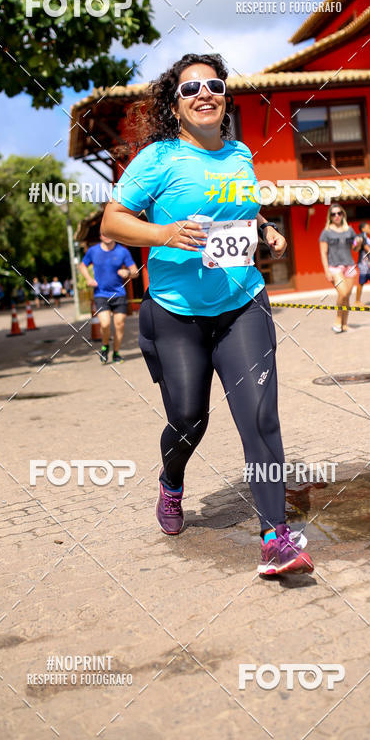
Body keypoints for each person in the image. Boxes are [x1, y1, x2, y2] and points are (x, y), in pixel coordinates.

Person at [102, 52, 314, 576]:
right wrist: (162, 233)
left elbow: (239, 208)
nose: (204, 94)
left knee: (261, 416)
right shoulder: (158, 159)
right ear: (174, 105)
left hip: (243, 303)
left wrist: (264, 227)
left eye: (214, 85)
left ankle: (275, 537)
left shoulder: (240, 153)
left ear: (225, 97)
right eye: (190, 88)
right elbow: (112, 222)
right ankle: (171, 483)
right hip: (177, 313)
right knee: (189, 419)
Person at [80, 234, 139, 363]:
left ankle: (116, 353)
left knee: (119, 325)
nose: (106, 236)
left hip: (119, 294)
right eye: (103, 233)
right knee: (105, 324)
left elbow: (136, 272)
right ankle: (105, 346)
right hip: (101, 294)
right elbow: (82, 265)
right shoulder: (93, 251)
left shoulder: (122, 251)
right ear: (100, 236)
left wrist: (128, 273)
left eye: (109, 233)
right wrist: (88, 279)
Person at [319, 204, 361, 333]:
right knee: (342, 293)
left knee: (347, 297)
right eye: (333, 214)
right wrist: (326, 270)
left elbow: (355, 248)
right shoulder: (326, 232)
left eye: (339, 213)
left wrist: (358, 243)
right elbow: (323, 253)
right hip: (334, 267)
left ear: (343, 214)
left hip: (349, 266)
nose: (336, 216)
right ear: (330, 217)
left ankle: (344, 325)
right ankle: (338, 320)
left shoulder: (349, 230)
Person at [355, 221, 370, 307]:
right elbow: (366, 248)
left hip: (369, 264)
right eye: (369, 227)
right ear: (363, 229)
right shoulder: (362, 236)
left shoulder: (367, 238)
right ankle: (357, 301)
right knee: (361, 282)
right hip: (363, 264)